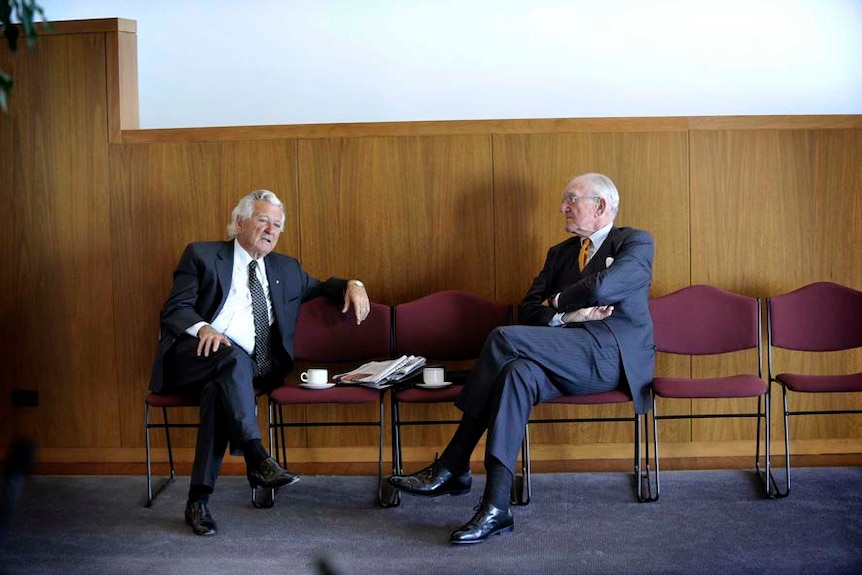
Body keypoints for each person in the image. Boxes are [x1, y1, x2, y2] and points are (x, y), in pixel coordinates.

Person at [388, 173, 655, 544]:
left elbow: (604, 287)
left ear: (600, 206)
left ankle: (454, 463)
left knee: (502, 338)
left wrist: (557, 301)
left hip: (609, 356)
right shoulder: (560, 254)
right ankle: (496, 508)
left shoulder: (635, 242)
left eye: (571, 199)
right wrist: (567, 316)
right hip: (558, 352)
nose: (562, 207)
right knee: (516, 373)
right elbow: (528, 311)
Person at [149, 189, 370, 536]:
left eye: (277, 225)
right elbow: (175, 310)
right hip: (192, 357)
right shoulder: (202, 256)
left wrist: (354, 284)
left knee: (217, 392)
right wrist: (204, 327)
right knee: (231, 357)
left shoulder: (287, 268)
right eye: (263, 219)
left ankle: (198, 501)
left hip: (245, 370)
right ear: (240, 222)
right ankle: (256, 457)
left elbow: (325, 286)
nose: (270, 229)